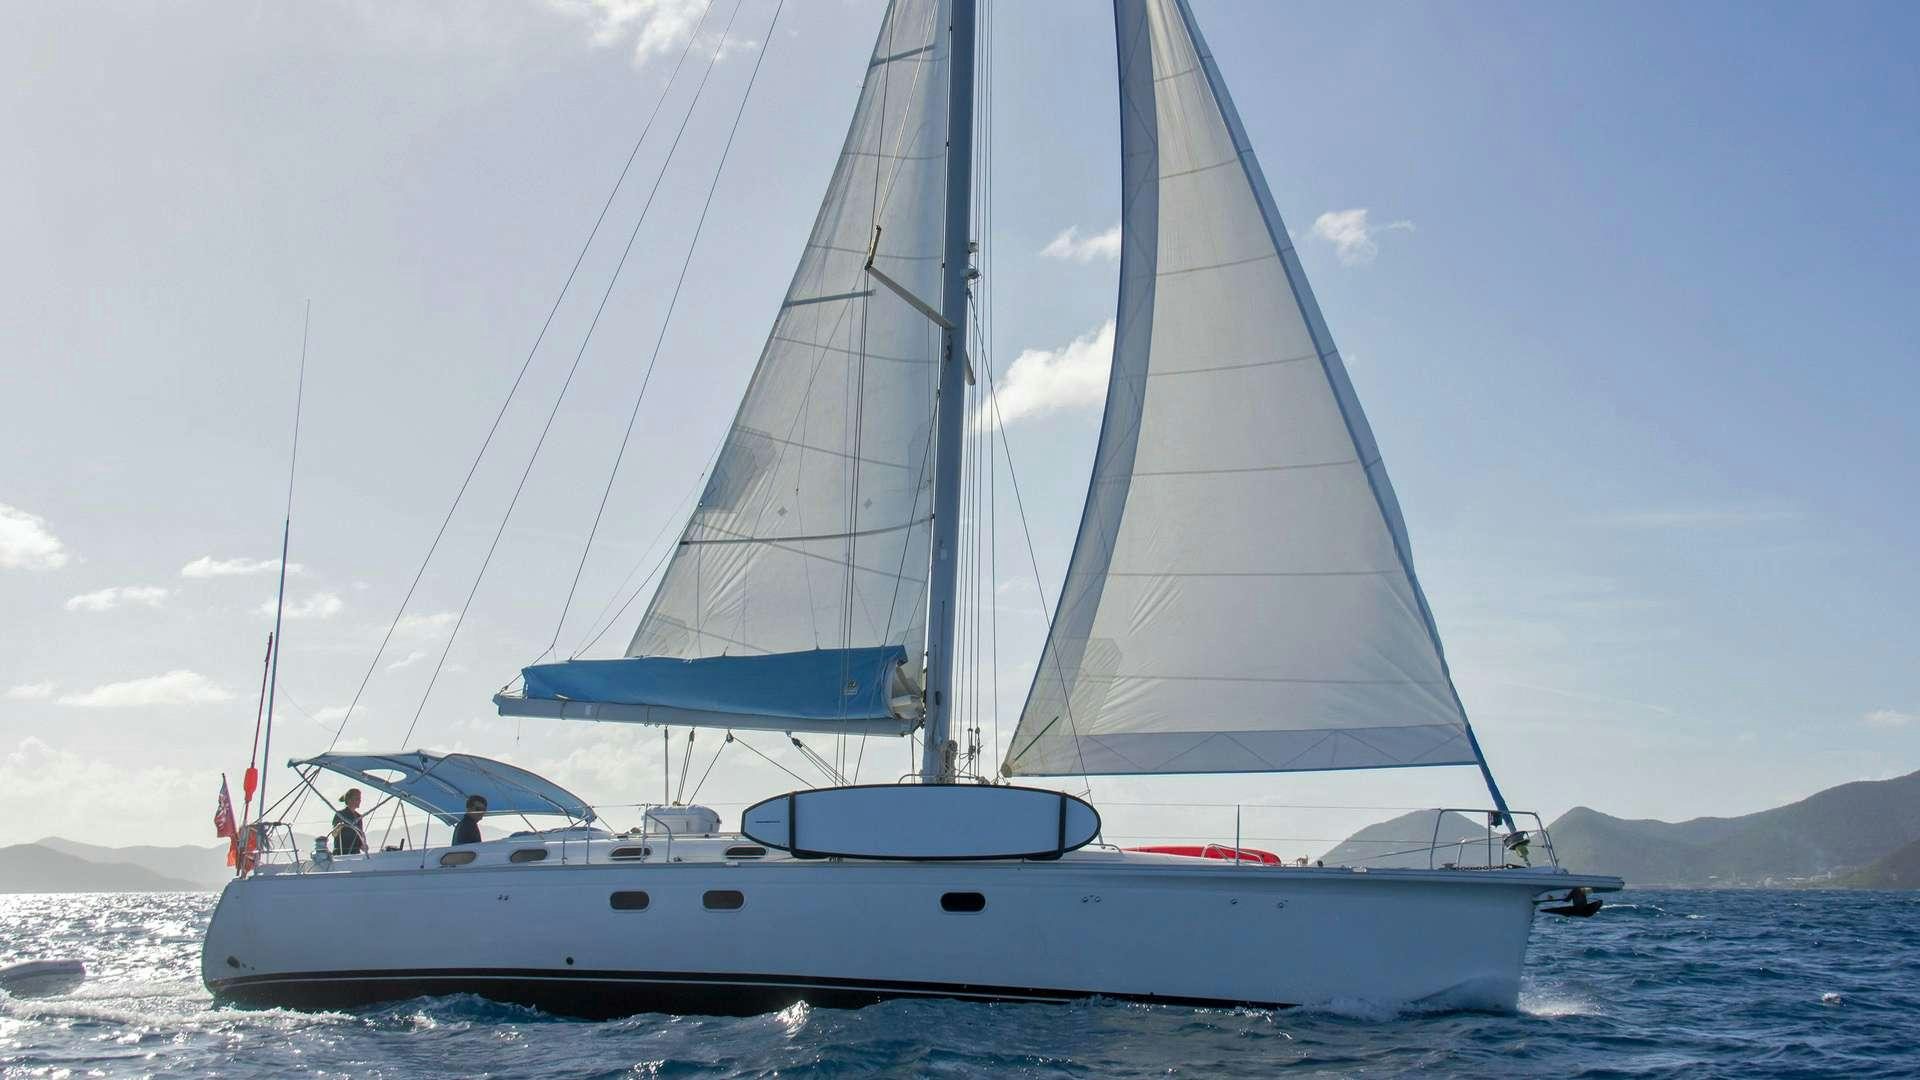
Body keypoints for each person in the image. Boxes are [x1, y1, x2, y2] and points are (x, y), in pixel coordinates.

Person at [330, 789, 368, 856]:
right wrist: (339, 826)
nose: (360, 801)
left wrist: (363, 845)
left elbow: (359, 835)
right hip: (341, 854)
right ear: (350, 800)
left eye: (360, 799)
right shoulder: (340, 814)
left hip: (355, 854)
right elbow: (334, 834)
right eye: (357, 798)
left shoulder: (359, 817)